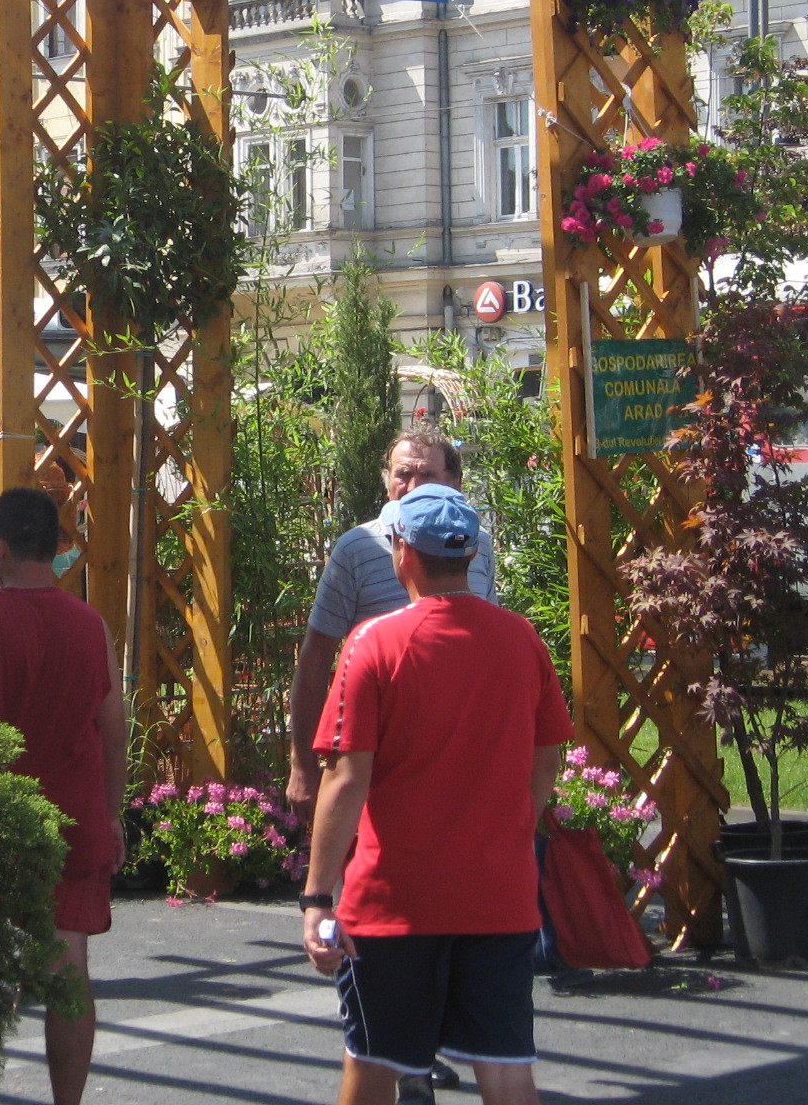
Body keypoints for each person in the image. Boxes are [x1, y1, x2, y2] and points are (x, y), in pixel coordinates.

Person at [300, 484, 571, 1105]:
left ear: (402, 554)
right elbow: (547, 755)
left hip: (397, 903)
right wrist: (513, 829)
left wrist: (316, 896)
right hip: (498, 897)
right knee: (507, 1069)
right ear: (470, 556)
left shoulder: (374, 644)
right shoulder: (521, 640)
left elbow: (345, 778)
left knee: (373, 1065)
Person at [0, 487, 125, 1105]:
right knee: (70, 969)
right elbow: (113, 728)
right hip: (74, 815)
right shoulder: (91, 626)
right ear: (55, 547)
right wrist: (114, 811)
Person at [286, 426, 496, 821]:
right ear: (387, 481)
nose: (413, 485)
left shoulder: (477, 544)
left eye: (427, 475)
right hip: (375, 758)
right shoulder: (358, 548)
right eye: (403, 473)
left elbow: (489, 646)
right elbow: (315, 661)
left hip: (465, 756)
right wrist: (302, 764)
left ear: (455, 482)